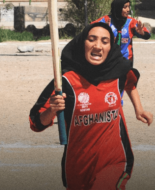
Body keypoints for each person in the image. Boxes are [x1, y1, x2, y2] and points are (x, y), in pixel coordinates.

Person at [29, 22, 153, 190]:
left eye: (104, 41)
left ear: (110, 47)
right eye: (92, 39)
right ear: (82, 43)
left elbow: (130, 84)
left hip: (115, 160)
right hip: (77, 167)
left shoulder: (118, 72)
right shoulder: (65, 81)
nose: (98, 46)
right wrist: (52, 110)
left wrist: (139, 110)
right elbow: (36, 123)